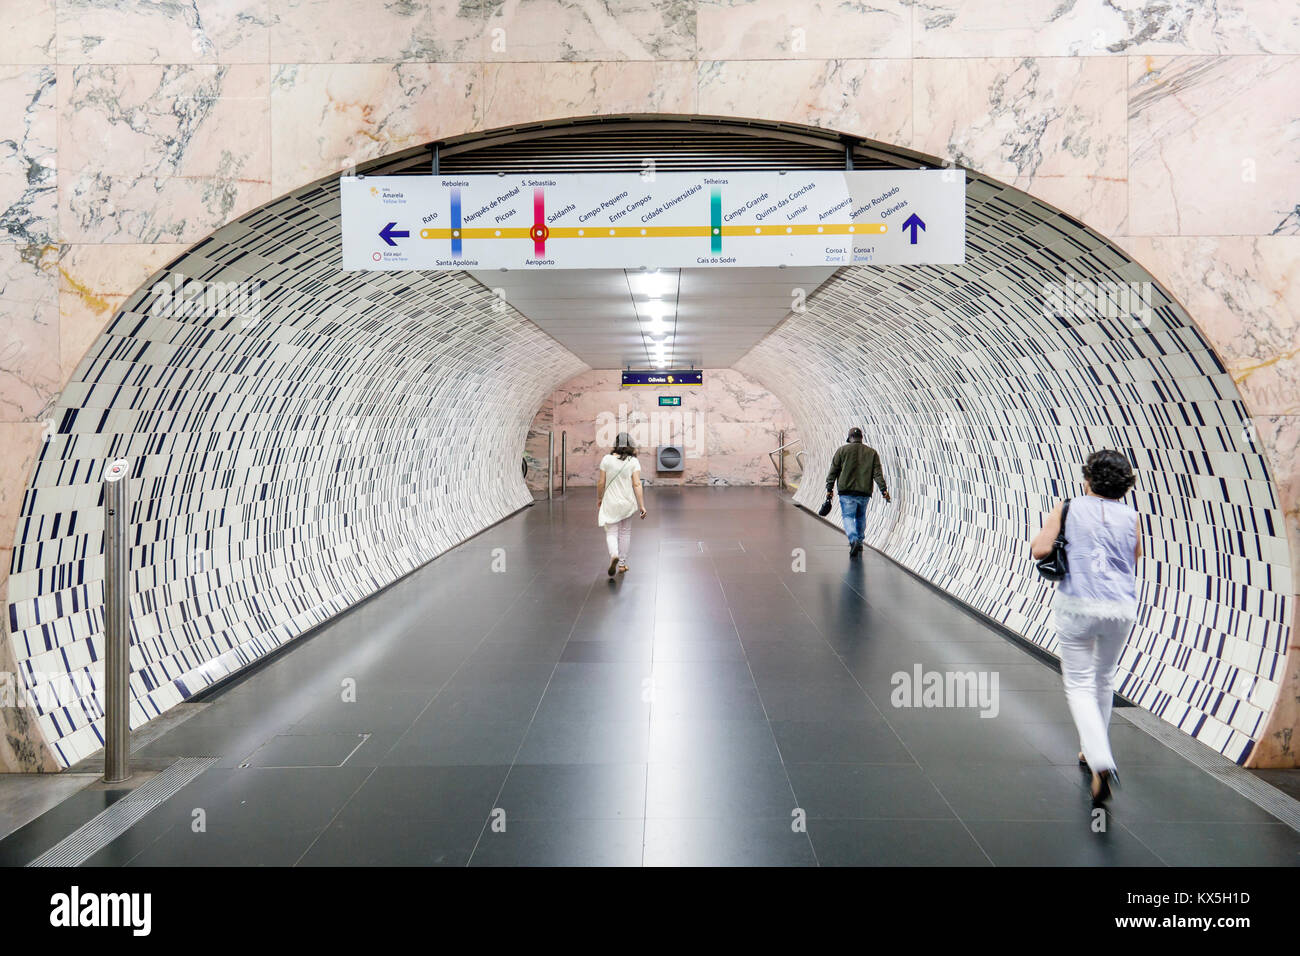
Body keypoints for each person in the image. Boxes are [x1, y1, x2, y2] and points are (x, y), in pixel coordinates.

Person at [1031, 449, 1141, 807]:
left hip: (1077, 605)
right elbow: (1134, 554)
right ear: (1125, 486)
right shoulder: (1131, 516)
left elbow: (1041, 550)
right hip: (1121, 608)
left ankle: (1100, 760)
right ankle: (1091, 750)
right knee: (1104, 678)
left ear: (1088, 478)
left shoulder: (1068, 507)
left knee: (1078, 683)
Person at [823, 427, 890, 557]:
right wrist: (884, 490)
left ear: (850, 438)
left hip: (846, 492)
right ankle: (859, 542)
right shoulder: (872, 453)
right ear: (861, 438)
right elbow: (877, 474)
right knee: (860, 517)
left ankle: (853, 539)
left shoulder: (842, 451)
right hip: (864, 492)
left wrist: (829, 489)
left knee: (848, 516)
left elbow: (833, 472)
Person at [596, 432, 647, 576]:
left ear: (616, 444)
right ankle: (622, 564)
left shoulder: (606, 459)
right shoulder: (633, 461)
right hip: (627, 502)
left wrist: (599, 498)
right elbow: (637, 484)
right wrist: (642, 505)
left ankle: (614, 555)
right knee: (625, 532)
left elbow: (601, 482)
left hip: (610, 501)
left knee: (612, 531)